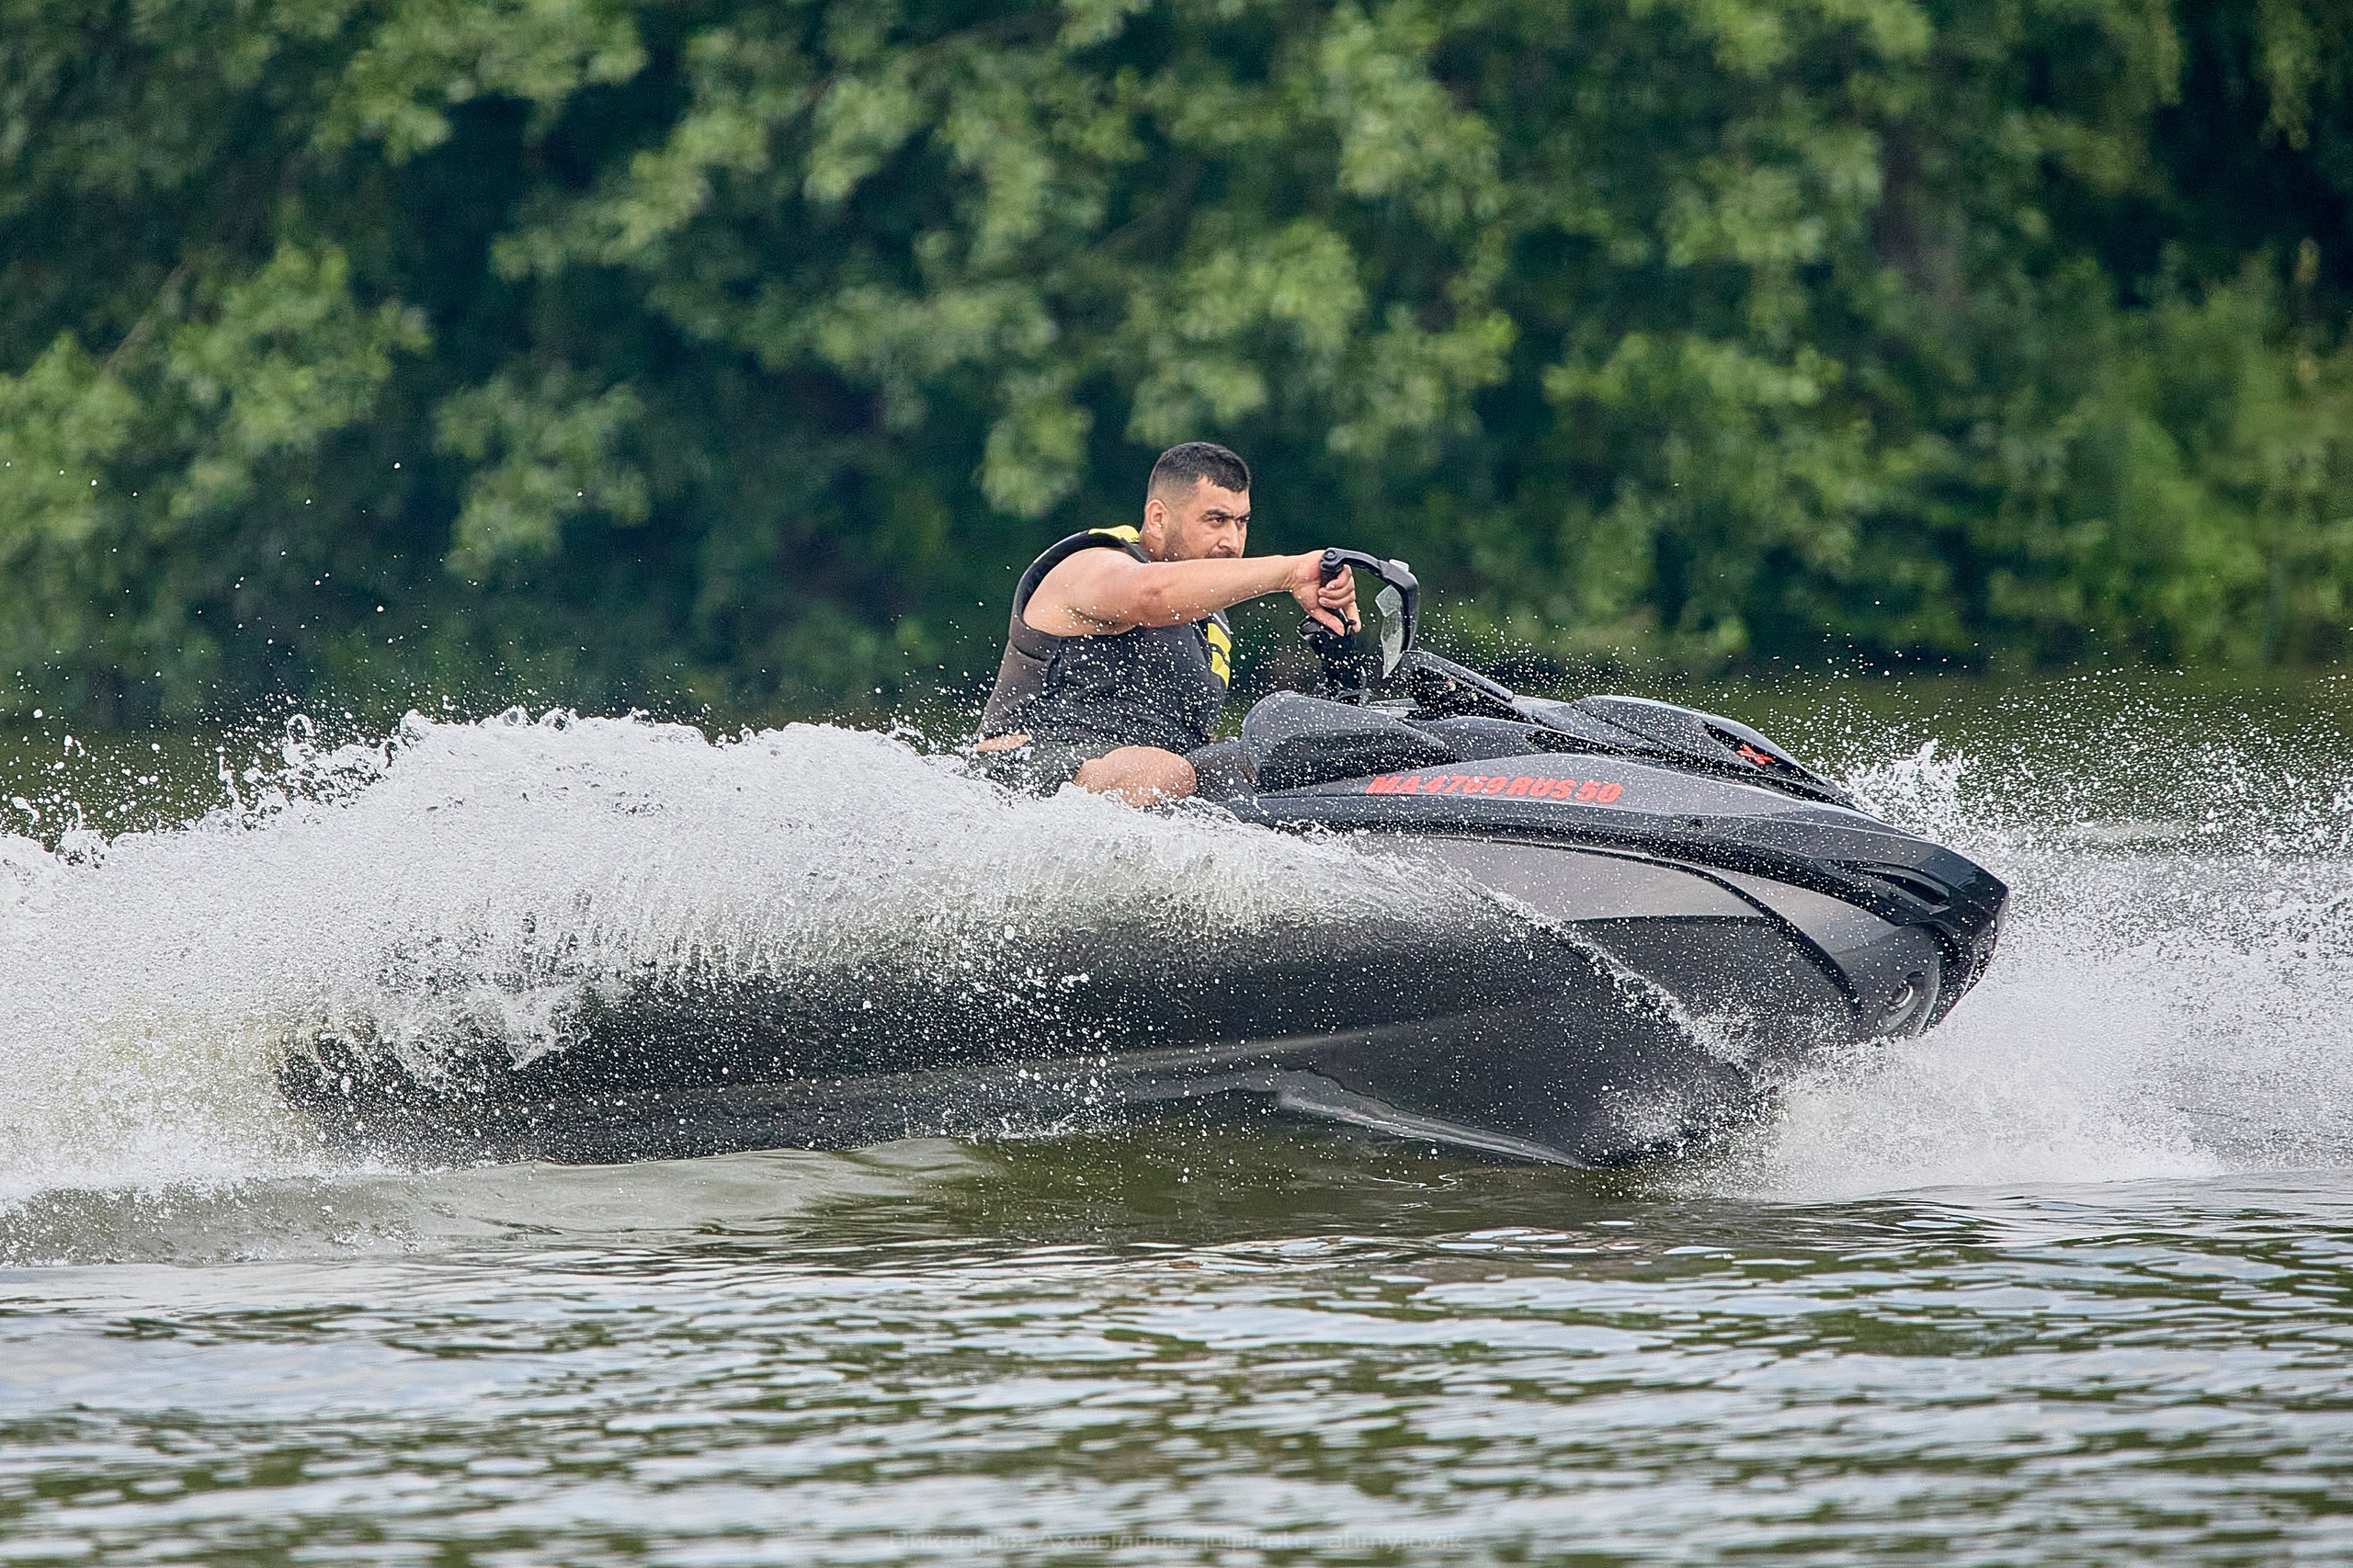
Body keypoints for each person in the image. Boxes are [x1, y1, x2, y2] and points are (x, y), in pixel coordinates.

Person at [974, 442, 1360, 804]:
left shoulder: (1209, 619)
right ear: (1158, 519)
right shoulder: (1092, 564)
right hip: (1024, 769)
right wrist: (1288, 571)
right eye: (1216, 520)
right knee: (1163, 770)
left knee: (1277, 763)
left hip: (1155, 788)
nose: (1232, 540)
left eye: (1241, 522)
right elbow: (1150, 596)